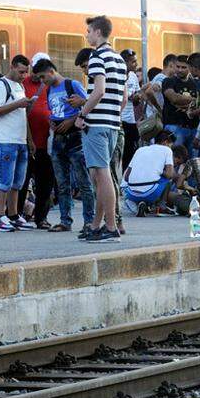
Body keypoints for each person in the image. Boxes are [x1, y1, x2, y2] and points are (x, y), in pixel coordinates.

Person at [75, 16, 126, 243]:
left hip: (96, 124)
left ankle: (111, 226)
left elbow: (99, 91)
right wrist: (113, 115)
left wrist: (82, 114)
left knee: (102, 174)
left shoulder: (96, 56)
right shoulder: (119, 59)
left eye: (88, 31)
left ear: (97, 32)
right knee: (98, 175)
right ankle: (96, 225)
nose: (86, 35)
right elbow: (123, 97)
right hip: (113, 123)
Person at [33, 57, 94, 233]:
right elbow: (54, 109)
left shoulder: (72, 85)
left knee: (83, 181)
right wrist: (53, 121)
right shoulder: (48, 90)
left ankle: (89, 221)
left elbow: (88, 106)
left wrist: (71, 120)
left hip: (75, 137)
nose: (43, 81)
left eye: (44, 77)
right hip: (58, 137)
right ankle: (65, 220)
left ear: (51, 71)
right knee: (62, 183)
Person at [0, 54, 35, 232]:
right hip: (5, 139)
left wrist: (29, 139)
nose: (24, 76)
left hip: (20, 139)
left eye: (26, 72)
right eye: (21, 71)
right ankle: (0, 216)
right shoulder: (1, 85)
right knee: (4, 181)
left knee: (18, 182)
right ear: (13, 66)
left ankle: (13, 214)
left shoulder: (19, 86)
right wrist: (18, 104)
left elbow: (22, 114)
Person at [20, 51, 55, 230]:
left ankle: (41, 217)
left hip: (47, 143)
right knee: (22, 182)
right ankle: (18, 215)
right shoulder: (22, 84)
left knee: (45, 183)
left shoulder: (50, 85)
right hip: (27, 142)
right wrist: (29, 139)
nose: (37, 75)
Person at [122, 129, 179, 214]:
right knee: (167, 180)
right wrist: (159, 171)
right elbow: (170, 174)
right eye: (170, 145)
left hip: (132, 193)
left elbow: (126, 177)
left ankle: (141, 204)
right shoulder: (167, 150)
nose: (170, 147)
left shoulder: (140, 150)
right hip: (151, 193)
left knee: (150, 180)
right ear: (165, 142)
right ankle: (161, 206)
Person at [119, 49, 142, 166]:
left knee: (132, 152)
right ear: (125, 63)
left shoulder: (133, 76)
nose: (136, 65)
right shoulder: (117, 75)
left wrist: (137, 97)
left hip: (132, 121)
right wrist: (129, 96)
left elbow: (137, 95)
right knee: (121, 154)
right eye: (133, 62)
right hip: (120, 121)